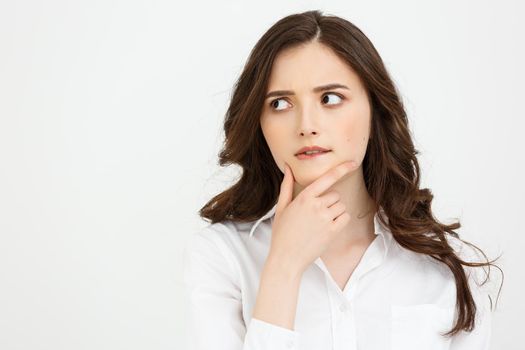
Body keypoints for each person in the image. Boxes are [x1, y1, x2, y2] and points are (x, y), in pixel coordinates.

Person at [182, 9, 503, 350]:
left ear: (374, 110)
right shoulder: (222, 257)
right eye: (280, 103)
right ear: (258, 123)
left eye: (330, 98)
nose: (306, 124)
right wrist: (284, 268)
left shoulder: (448, 265)